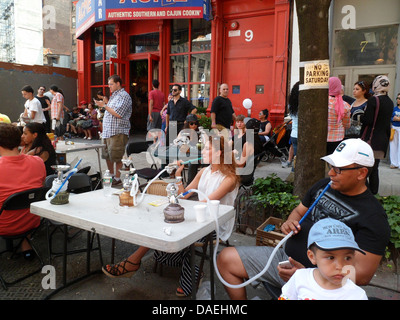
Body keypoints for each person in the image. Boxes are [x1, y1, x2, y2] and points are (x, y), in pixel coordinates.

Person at [217, 138, 390, 300]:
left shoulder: (373, 217)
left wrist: (311, 276)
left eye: (338, 169)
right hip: (284, 258)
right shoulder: (324, 186)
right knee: (225, 259)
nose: (330, 173)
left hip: (323, 283)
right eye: (330, 166)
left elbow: (362, 275)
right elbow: (298, 212)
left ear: (362, 173)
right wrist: (289, 222)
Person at [102, 134, 240, 297]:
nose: (202, 152)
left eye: (207, 149)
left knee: (167, 228)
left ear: (220, 153)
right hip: (198, 215)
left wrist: (180, 207)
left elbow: (206, 201)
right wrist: (178, 175)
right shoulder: (204, 171)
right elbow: (185, 194)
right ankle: (191, 269)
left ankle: (134, 262)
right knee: (161, 230)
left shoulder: (229, 178)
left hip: (215, 223)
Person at [279, 218, 368, 300]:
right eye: (331, 257)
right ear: (312, 257)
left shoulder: (357, 296)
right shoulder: (300, 278)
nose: (340, 266)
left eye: (347, 258)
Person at [0, 123, 46, 259]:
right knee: (25, 198)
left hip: (5, 225)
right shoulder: (37, 162)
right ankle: (25, 244)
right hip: (32, 221)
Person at [95, 74, 132, 187]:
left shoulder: (124, 96)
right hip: (108, 131)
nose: (109, 86)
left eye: (111, 84)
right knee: (107, 155)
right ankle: (111, 175)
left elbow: (118, 114)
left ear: (118, 84)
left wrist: (104, 106)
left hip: (118, 131)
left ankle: (117, 178)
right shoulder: (114, 96)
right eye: (109, 84)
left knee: (117, 156)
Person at [360, 75, 394, 194]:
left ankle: (365, 194)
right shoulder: (390, 102)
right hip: (382, 140)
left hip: (370, 139)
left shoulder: (374, 100)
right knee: (375, 169)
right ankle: (374, 194)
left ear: (376, 85)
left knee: (362, 169)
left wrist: (361, 117)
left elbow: (368, 120)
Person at [327, 77, 351, 155]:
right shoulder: (345, 105)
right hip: (338, 138)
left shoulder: (320, 103)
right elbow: (346, 125)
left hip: (321, 137)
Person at [283, 81, 299, 169]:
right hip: (301, 134)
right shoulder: (304, 105)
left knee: (297, 158)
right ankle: (294, 174)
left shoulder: (291, 105)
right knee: (299, 160)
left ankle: (293, 172)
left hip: (294, 134)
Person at [389, 93, 400, 169]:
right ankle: (394, 163)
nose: (398, 100)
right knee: (393, 145)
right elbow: (390, 117)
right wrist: (394, 119)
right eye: (397, 98)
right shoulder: (394, 108)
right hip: (394, 127)